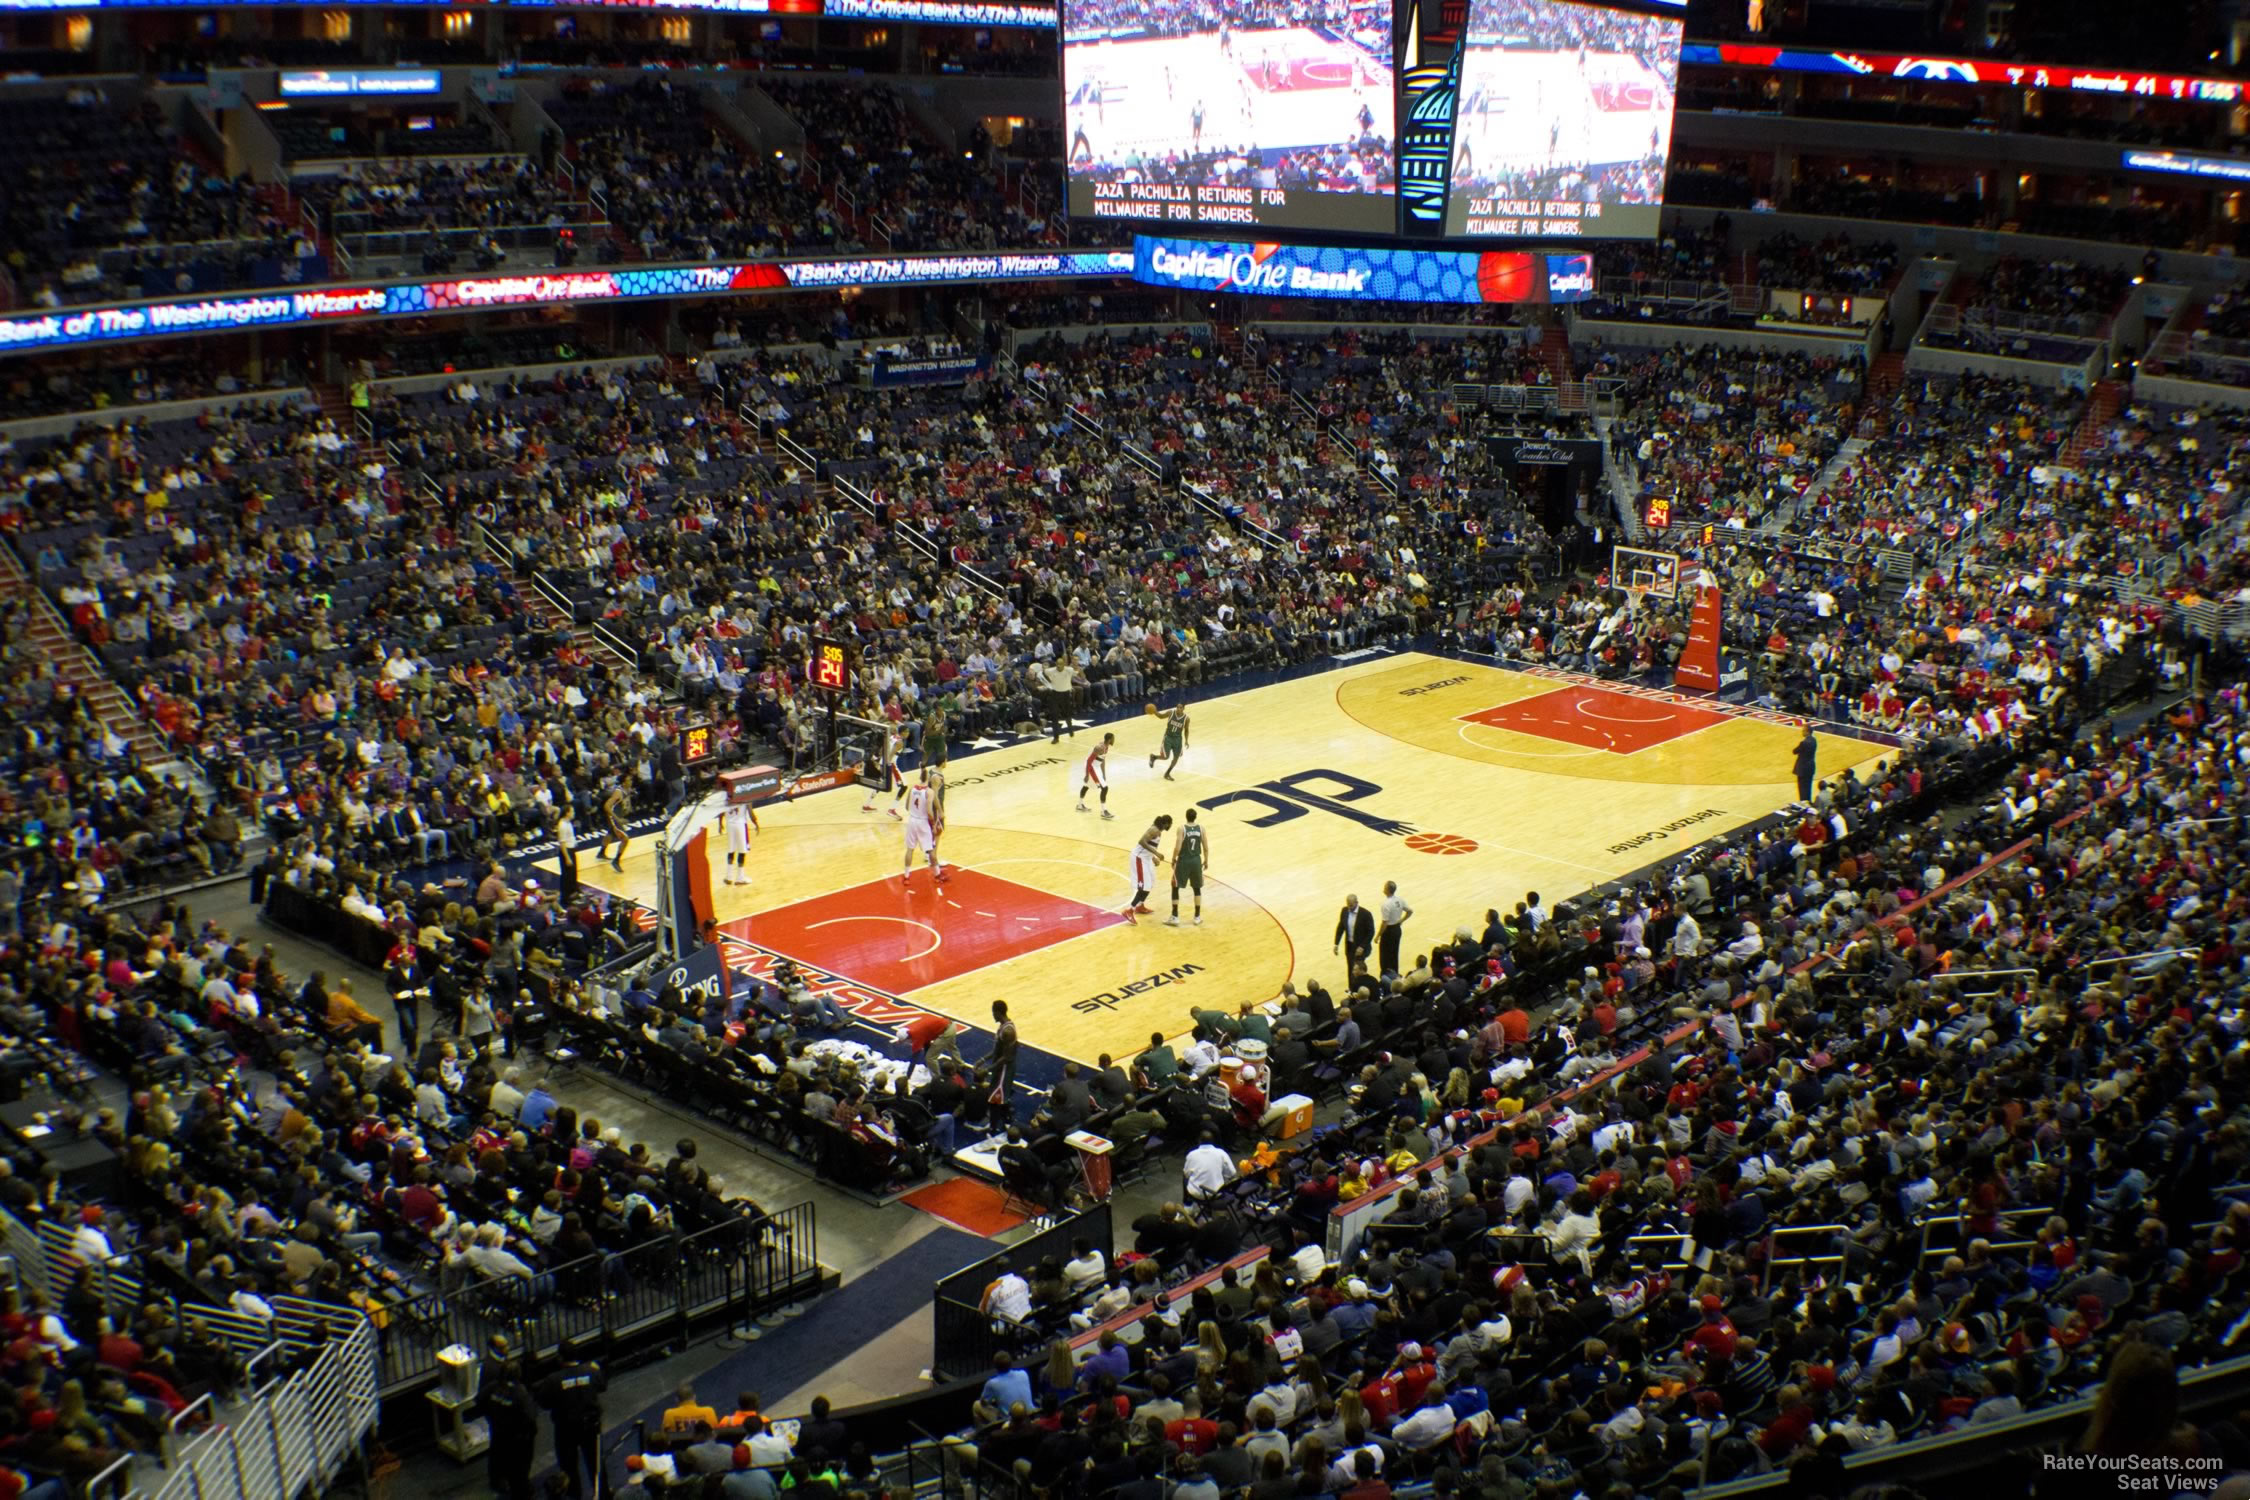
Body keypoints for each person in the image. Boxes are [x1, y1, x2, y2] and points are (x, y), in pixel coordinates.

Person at [536, 1350, 607, 1500]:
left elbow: (543, 1402)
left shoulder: (553, 1380)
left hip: (565, 1428)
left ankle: (573, 1495)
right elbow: (602, 1386)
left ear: (560, 1359)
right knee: (596, 1463)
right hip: (590, 1425)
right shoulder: (591, 1371)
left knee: (568, 1466)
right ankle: (602, 1494)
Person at [479, 1361, 541, 1500]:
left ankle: (497, 1482)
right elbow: (530, 1417)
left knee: (496, 1457)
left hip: (498, 1431)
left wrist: (491, 1416)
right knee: (520, 1467)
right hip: (517, 1437)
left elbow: (479, 1400)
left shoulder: (493, 1387)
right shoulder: (521, 1393)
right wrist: (531, 1433)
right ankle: (522, 1490)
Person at [903, 771, 946, 884]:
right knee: (930, 850)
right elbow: (929, 811)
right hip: (922, 822)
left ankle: (906, 877)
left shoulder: (912, 789)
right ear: (929, 779)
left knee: (910, 849)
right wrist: (933, 824)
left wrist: (914, 812)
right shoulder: (929, 791)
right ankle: (937, 875)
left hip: (912, 821)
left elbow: (907, 807)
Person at [1168, 809, 1209, 927]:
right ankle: (1197, 917)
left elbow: (1178, 847)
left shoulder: (1182, 828)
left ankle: (1175, 916)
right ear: (1195, 817)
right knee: (1197, 888)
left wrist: (1173, 858)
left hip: (1184, 861)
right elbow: (1206, 847)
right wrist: (1206, 860)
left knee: (1175, 886)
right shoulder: (1201, 828)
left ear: (1186, 817)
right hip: (1196, 861)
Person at [1126, 815, 1171, 923]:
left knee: (1150, 882)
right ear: (1166, 823)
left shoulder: (1159, 831)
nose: (1170, 826)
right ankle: (1129, 910)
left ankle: (1140, 906)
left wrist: (1153, 857)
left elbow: (1150, 845)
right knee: (1144, 886)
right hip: (1139, 858)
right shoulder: (1154, 829)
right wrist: (1156, 853)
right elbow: (1142, 841)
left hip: (1146, 859)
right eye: (1170, 824)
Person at [861, 727, 907, 817]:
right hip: (890, 765)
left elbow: (883, 749)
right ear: (903, 732)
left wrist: (880, 761)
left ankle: (866, 805)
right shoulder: (900, 742)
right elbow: (890, 755)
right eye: (907, 732)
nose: (908, 733)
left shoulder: (892, 737)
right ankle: (892, 810)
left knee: (880, 784)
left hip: (883, 762)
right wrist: (887, 767)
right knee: (904, 787)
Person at [720, 796, 759, 886]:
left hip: (729, 824)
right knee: (742, 851)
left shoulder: (726, 797)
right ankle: (740, 877)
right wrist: (756, 823)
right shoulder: (746, 796)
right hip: (740, 825)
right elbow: (751, 813)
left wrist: (720, 823)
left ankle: (728, 877)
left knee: (731, 850)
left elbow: (721, 811)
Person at [1377, 881, 1413, 979]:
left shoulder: (1385, 904)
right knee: (1394, 953)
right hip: (1397, 929)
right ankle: (1395, 974)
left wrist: (1378, 935)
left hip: (1388, 931)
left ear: (1388, 890)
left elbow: (1384, 923)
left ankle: (1385, 976)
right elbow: (1410, 911)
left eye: (1385, 887)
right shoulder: (1400, 900)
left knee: (1384, 956)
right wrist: (1402, 920)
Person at [1334, 895, 1375, 977]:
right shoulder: (1344, 911)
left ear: (1357, 903)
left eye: (1351, 905)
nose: (1349, 907)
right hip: (1349, 946)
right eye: (1348, 905)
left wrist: (1362, 946)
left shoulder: (1365, 914)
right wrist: (1336, 943)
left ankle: (1360, 987)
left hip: (1360, 948)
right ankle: (1351, 988)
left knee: (1358, 969)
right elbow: (1341, 927)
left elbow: (1371, 932)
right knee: (1350, 968)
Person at [989, 1000, 1019, 1111]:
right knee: (993, 1095)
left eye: (993, 1012)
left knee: (999, 1100)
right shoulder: (1003, 1026)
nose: (992, 1015)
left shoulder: (1008, 1031)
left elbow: (1007, 1057)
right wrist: (982, 1060)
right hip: (999, 1065)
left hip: (1005, 1068)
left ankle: (1006, 1118)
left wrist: (987, 1069)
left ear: (998, 1012)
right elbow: (996, 1049)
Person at [1078, 732, 1116, 819]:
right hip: (1091, 766)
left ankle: (1080, 805)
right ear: (1109, 739)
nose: (1114, 740)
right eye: (1113, 738)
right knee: (1105, 787)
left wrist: (1103, 774)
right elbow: (1088, 761)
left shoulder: (1106, 747)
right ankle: (1104, 811)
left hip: (1096, 766)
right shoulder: (1099, 748)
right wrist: (1087, 775)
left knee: (1087, 785)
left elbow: (1102, 760)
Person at [1149, 703, 1190, 780]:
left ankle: (1167, 774)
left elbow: (1186, 730)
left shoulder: (1186, 718)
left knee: (1176, 759)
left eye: (1180, 708)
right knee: (1165, 757)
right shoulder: (1171, 713)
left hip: (1178, 739)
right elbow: (1161, 716)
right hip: (1168, 738)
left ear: (1183, 709)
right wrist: (1155, 712)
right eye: (1177, 707)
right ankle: (1154, 757)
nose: (1178, 709)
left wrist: (1186, 741)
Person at [597, 779, 630, 869]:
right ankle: (616, 861)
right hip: (613, 817)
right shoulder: (618, 792)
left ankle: (601, 853)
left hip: (617, 816)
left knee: (611, 834)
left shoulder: (627, 791)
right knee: (625, 839)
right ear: (624, 782)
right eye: (629, 779)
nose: (631, 781)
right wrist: (617, 819)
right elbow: (606, 806)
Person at [1794, 727, 1819, 802]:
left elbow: (1795, 751)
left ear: (1808, 732)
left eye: (1803, 731)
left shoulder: (1804, 743)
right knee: (1808, 788)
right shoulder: (1814, 740)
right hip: (1810, 767)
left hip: (1803, 769)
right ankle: (1808, 802)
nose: (1802, 732)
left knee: (1802, 789)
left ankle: (1803, 804)